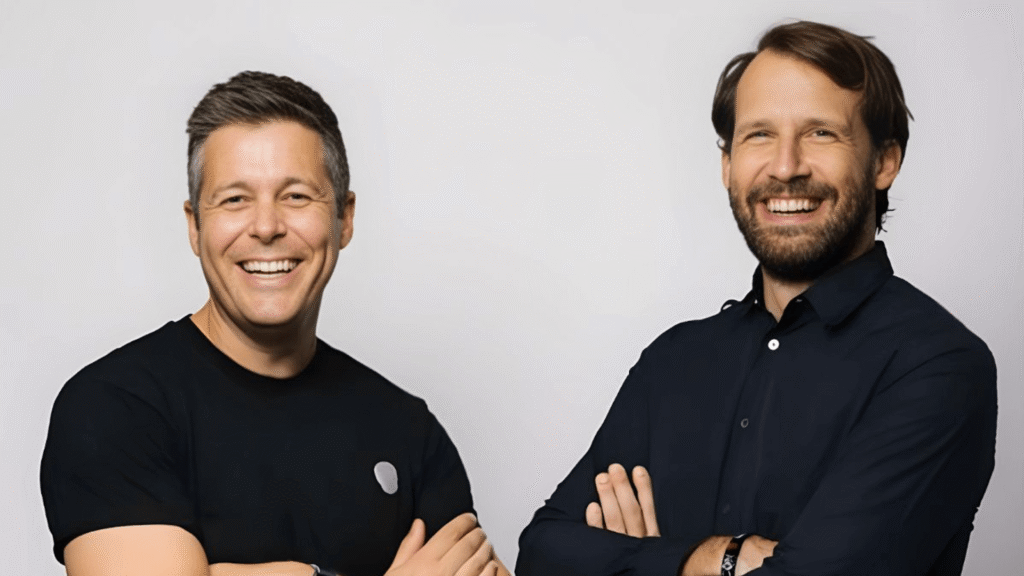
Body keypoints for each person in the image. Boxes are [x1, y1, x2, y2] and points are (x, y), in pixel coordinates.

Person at [516, 20, 997, 576]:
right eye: (759, 135)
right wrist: (710, 560)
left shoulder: (936, 365)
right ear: (727, 164)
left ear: (884, 161)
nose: (786, 166)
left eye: (821, 133)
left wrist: (630, 563)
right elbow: (542, 555)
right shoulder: (673, 361)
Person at [41, 71, 509, 576]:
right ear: (195, 225)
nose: (266, 227)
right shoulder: (115, 407)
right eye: (235, 199)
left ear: (344, 218)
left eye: (297, 196)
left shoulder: (409, 431)